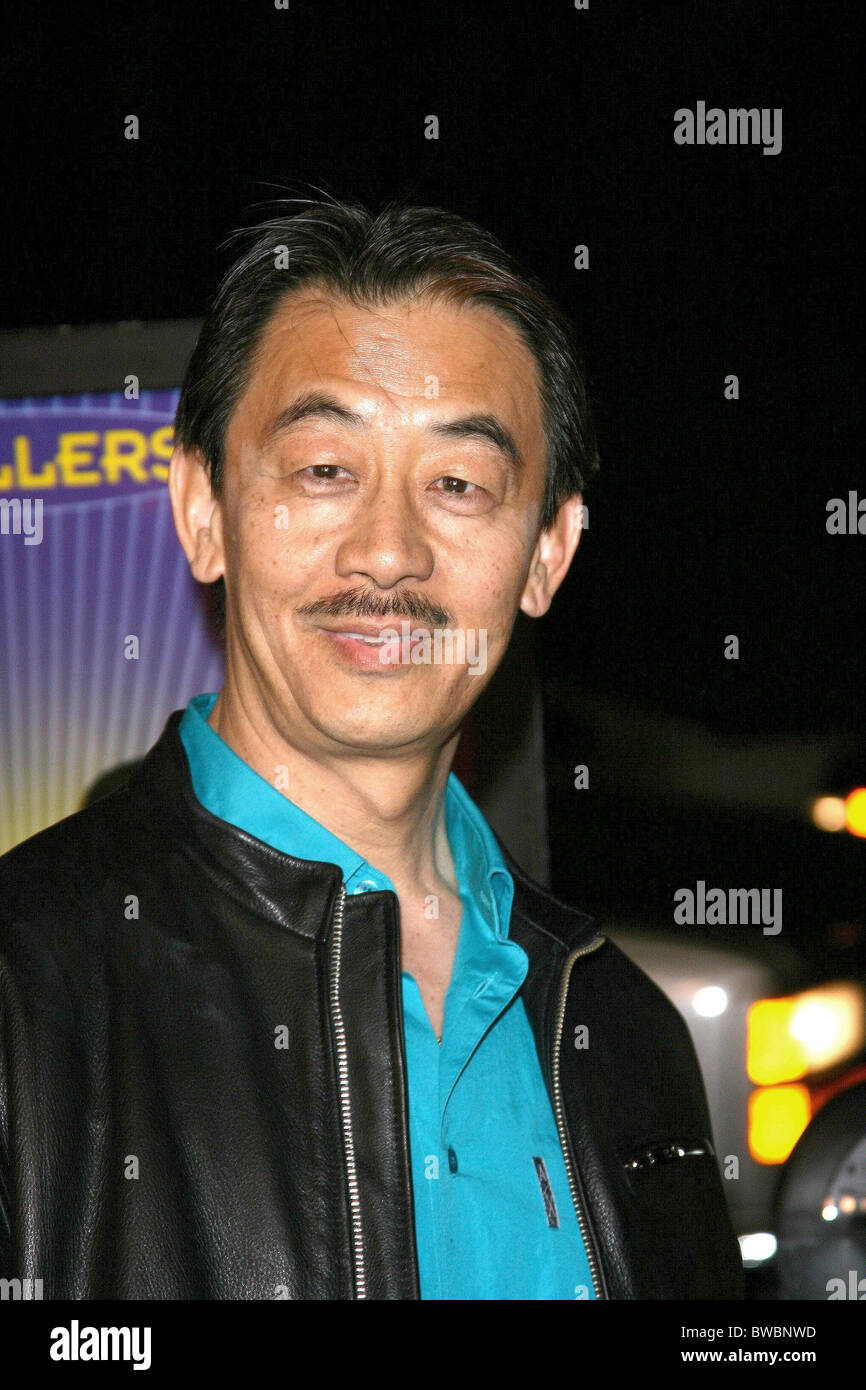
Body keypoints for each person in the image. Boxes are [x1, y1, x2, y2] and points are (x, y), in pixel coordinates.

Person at [0, 200, 743, 1299]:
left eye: (458, 484)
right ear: (201, 507)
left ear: (547, 550)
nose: (388, 552)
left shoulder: (625, 1034)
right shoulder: (27, 998)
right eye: (322, 469)